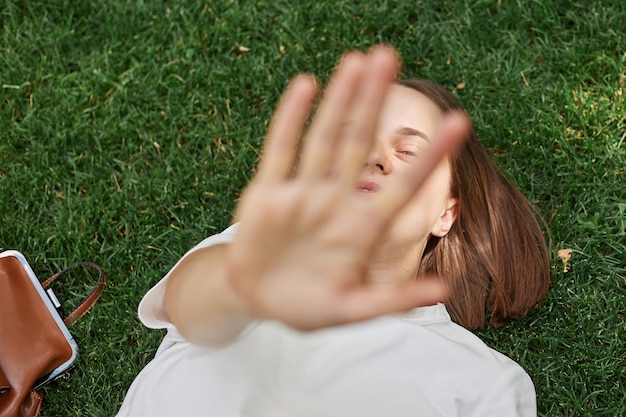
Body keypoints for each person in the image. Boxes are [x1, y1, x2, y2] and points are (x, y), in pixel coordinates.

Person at [116, 46, 550, 417]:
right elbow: (194, 305)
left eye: (409, 151)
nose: (374, 157)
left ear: (446, 214)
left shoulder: (485, 383)